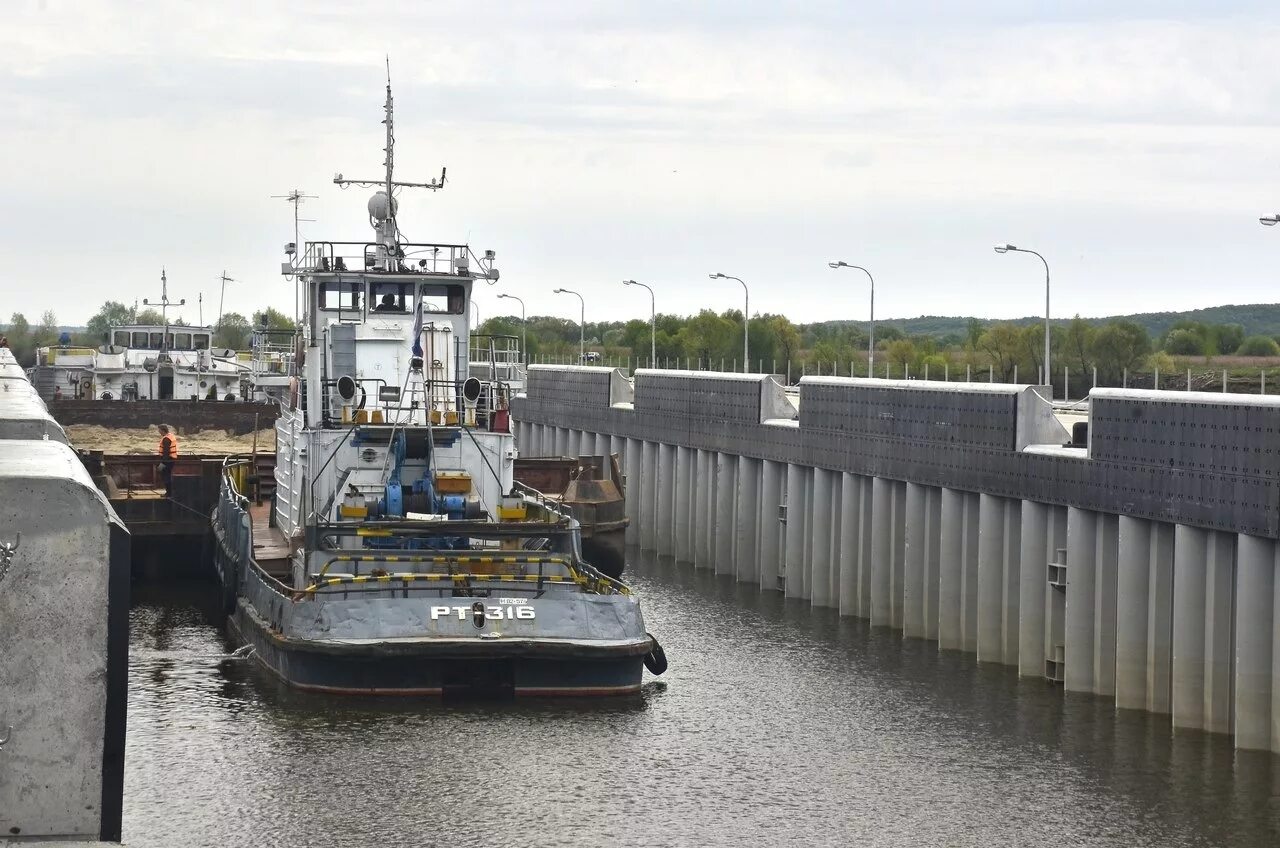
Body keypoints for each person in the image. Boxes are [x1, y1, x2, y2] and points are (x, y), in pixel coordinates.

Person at [157, 424, 178, 498]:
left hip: (168, 461)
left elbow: (166, 452)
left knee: (166, 476)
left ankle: (169, 493)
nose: (158, 432)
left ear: (163, 430)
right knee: (166, 475)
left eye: (159, 430)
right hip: (171, 460)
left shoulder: (166, 439)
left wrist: (162, 463)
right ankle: (169, 492)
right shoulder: (170, 436)